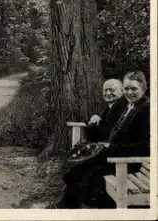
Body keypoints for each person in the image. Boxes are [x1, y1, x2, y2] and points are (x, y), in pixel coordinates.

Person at [48, 71, 150, 209]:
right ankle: (68, 205)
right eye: (127, 88)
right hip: (116, 156)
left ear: (144, 88)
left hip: (127, 163)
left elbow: (146, 147)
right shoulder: (131, 107)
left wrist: (110, 147)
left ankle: (70, 205)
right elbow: (110, 132)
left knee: (88, 173)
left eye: (134, 89)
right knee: (80, 168)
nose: (129, 92)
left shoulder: (146, 110)